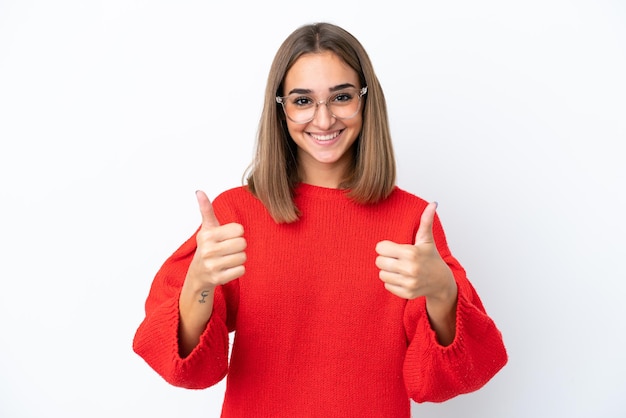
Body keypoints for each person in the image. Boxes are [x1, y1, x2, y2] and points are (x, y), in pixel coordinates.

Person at [133, 22, 507, 417]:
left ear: (365, 101)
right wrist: (199, 283)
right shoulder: (236, 215)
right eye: (302, 100)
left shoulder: (412, 222)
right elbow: (186, 367)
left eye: (341, 97)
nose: (324, 120)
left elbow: (454, 375)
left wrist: (443, 293)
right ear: (281, 109)